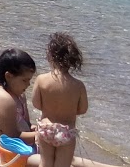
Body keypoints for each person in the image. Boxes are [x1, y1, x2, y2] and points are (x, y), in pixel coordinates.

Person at [0, 46, 121, 167]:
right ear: (9, 76)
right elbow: (12, 136)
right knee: (56, 161)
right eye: (25, 80)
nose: (28, 84)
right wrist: (41, 135)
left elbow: (23, 126)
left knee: (61, 158)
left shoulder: (16, 93)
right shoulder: (3, 98)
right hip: (2, 155)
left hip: (18, 150)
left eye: (30, 80)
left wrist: (38, 129)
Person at [31, 33, 87, 167]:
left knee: (45, 163)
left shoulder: (42, 80)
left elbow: (36, 104)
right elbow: (82, 109)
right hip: (66, 132)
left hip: (46, 128)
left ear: (50, 56)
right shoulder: (78, 85)